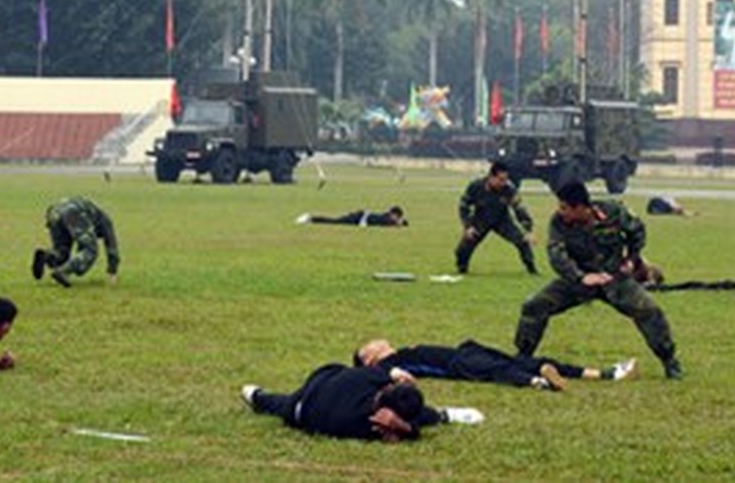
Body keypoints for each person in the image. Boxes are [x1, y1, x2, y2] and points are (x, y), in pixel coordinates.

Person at [514, 179, 683, 380]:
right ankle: (523, 358)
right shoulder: (558, 222)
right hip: (579, 279)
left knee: (649, 311)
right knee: (534, 305)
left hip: (615, 279)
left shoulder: (613, 212)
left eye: (565, 207)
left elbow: (637, 231)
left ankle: (669, 361)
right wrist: (581, 277)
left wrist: (631, 258)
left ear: (581, 207)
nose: (561, 212)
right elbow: (556, 255)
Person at [241, 363, 479, 441]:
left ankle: (256, 396)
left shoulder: (365, 378)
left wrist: (395, 374)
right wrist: (407, 430)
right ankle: (258, 397)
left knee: (278, 402)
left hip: (320, 384)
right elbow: (408, 431)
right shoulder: (368, 426)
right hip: (306, 403)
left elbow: (383, 372)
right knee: (279, 404)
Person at [354, 338, 636, 390]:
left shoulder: (399, 354)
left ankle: (605, 373)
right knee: (500, 369)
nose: (377, 340)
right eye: (370, 346)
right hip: (457, 364)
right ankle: (538, 382)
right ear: (370, 358)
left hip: (465, 351)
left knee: (526, 361)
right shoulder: (388, 363)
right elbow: (382, 374)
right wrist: (391, 371)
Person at [455, 162, 537, 275]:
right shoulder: (475, 186)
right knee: (463, 248)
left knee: (522, 241)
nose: (504, 182)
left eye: (506, 179)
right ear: (491, 177)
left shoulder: (509, 189)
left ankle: (531, 269)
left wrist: (528, 230)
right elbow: (464, 206)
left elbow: (519, 209)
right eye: (500, 179)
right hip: (481, 219)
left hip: (502, 220)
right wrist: (468, 226)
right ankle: (462, 269)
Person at [31, 197, 120, 287]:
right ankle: (63, 272)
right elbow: (112, 247)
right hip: (73, 213)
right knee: (90, 250)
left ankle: (46, 255)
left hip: (55, 212)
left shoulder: (93, 216)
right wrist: (112, 271)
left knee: (62, 253)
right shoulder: (106, 222)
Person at [296, 206, 408, 227]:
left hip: (359, 217)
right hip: (357, 218)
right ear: (394, 215)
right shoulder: (386, 220)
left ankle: (311, 219)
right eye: (397, 217)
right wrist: (400, 224)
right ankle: (310, 218)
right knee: (334, 222)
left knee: (335, 221)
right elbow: (390, 223)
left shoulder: (385, 217)